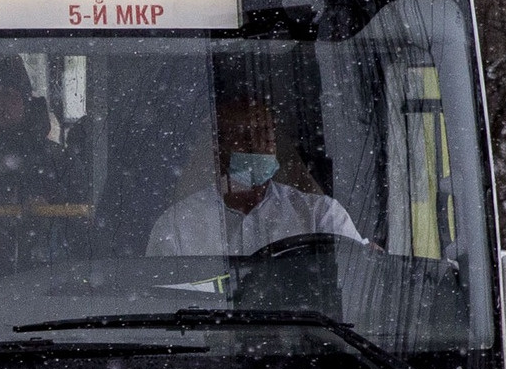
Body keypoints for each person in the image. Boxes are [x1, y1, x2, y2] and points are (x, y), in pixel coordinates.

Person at [146, 99, 362, 256]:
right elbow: (162, 298)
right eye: (243, 135)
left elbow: (354, 276)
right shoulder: (176, 226)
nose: (258, 146)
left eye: (265, 134)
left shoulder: (320, 214)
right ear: (218, 149)